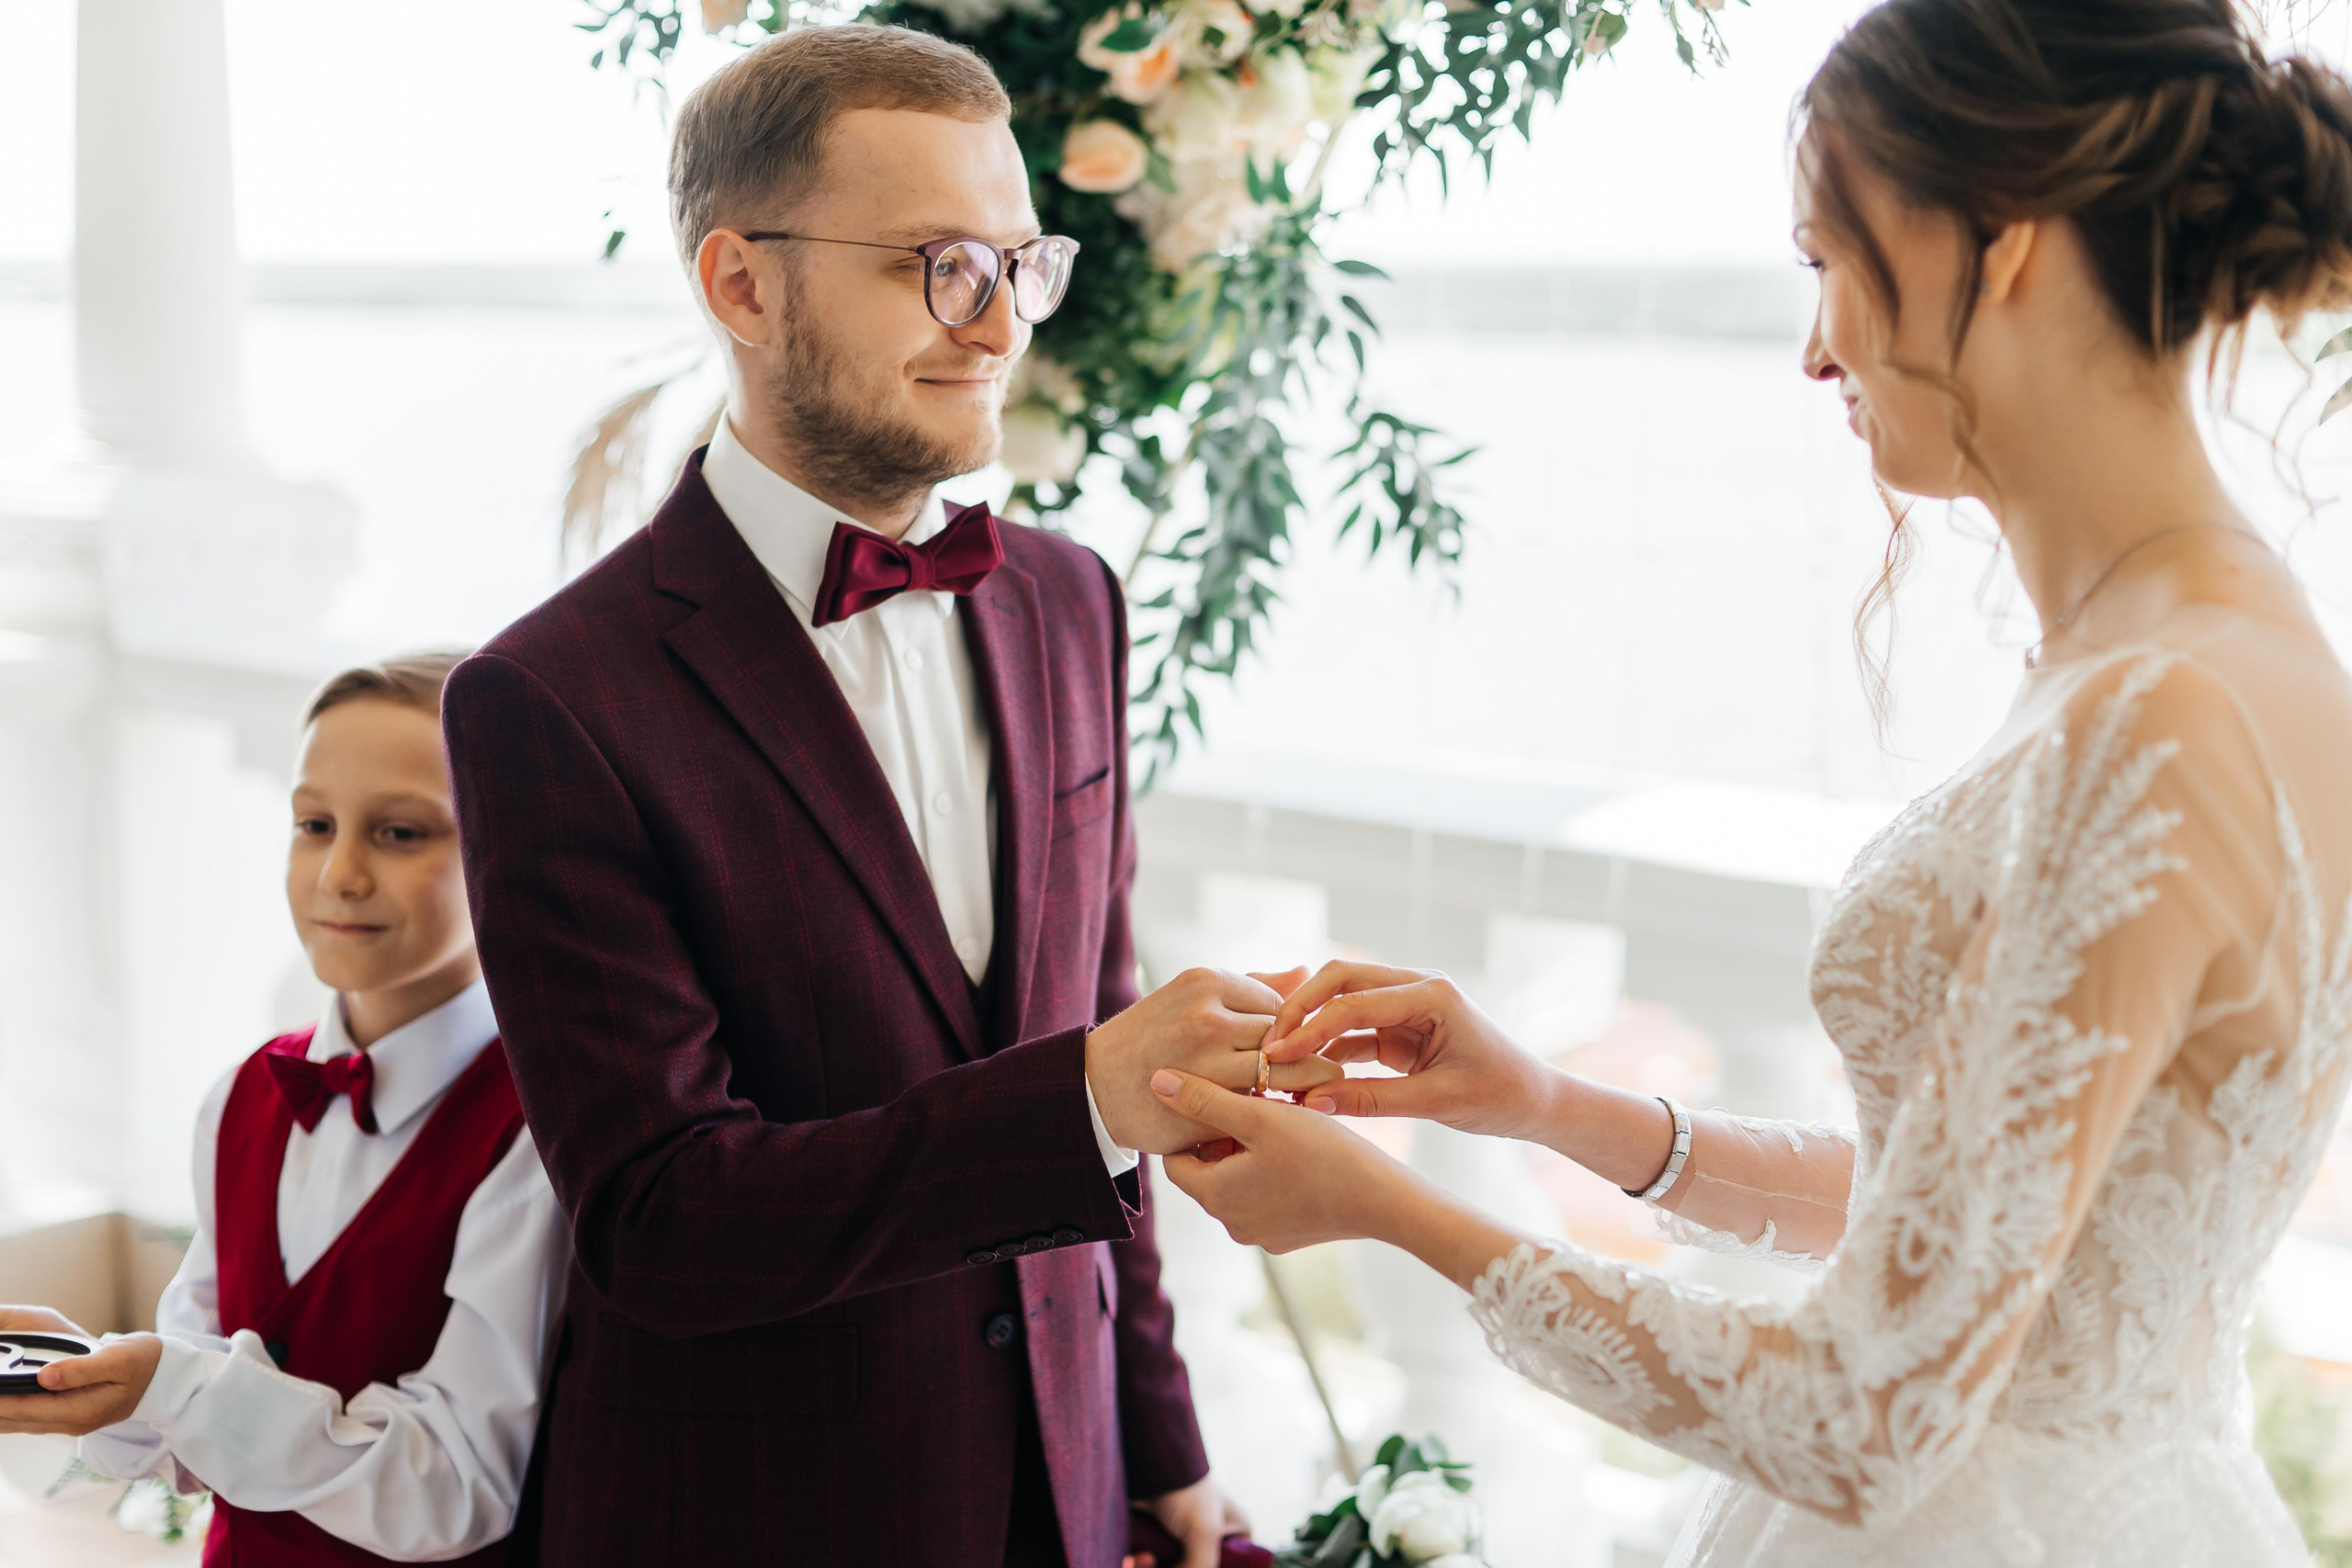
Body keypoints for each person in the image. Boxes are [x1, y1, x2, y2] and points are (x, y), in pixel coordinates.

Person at [1147, 2, 2352, 1563]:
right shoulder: (2199, 651)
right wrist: (1545, 1103)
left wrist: (1387, 1206)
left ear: (2002, 240)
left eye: (1826, 259)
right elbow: (1982, 1222)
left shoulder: (2162, 714)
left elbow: (1861, 1412)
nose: (1813, 347)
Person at [437, 25, 1331, 1568]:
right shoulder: (550, 696)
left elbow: (1100, 1023)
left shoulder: (1068, 600)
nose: (996, 324)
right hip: (755, 1516)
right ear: (742, 284)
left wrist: (1158, 1434)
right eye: (935, 265)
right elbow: (662, 1217)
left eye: (1018, 265)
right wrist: (1083, 1097)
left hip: (1063, 1483)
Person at [0, 652, 568, 1564]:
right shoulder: (243, 1095)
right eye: (314, 824)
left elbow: (459, 1484)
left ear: (512, 847)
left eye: (399, 832)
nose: (339, 873)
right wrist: (97, 1377)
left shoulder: (539, 1131)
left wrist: (178, 1387)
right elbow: (192, 1406)